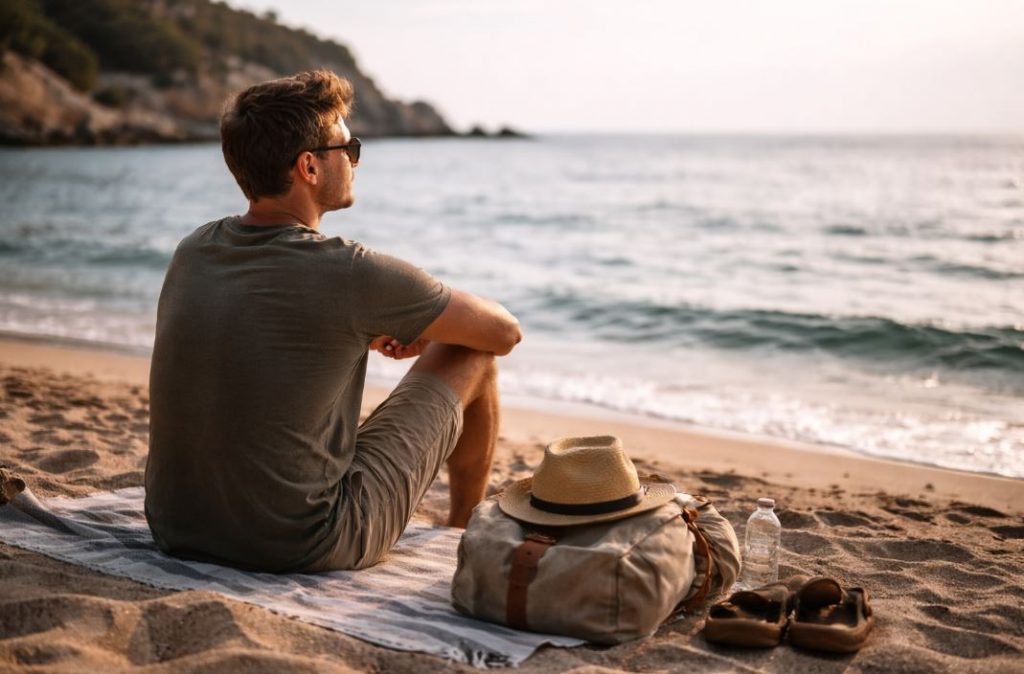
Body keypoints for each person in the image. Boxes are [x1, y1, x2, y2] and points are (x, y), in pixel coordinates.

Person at [144, 70, 521, 573]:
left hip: (176, 527)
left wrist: (371, 329)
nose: (355, 161)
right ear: (309, 167)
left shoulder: (194, 249)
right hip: (303, 541)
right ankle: (458, 526)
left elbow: (268, 328)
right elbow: (503, 332)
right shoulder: (348, 271)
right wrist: (428, 328)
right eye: (349, 148)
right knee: (472, 351)